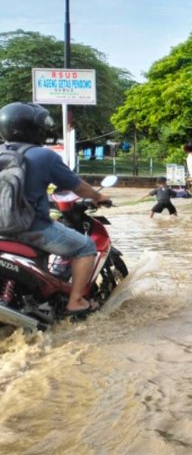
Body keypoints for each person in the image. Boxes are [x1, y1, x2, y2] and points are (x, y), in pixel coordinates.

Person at [0, 101, 112, 318]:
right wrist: (99, 196)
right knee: (86, 247)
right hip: (31, 228)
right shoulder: (44, 156)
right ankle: (76, 301)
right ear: (33, 128)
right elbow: (77, 186)